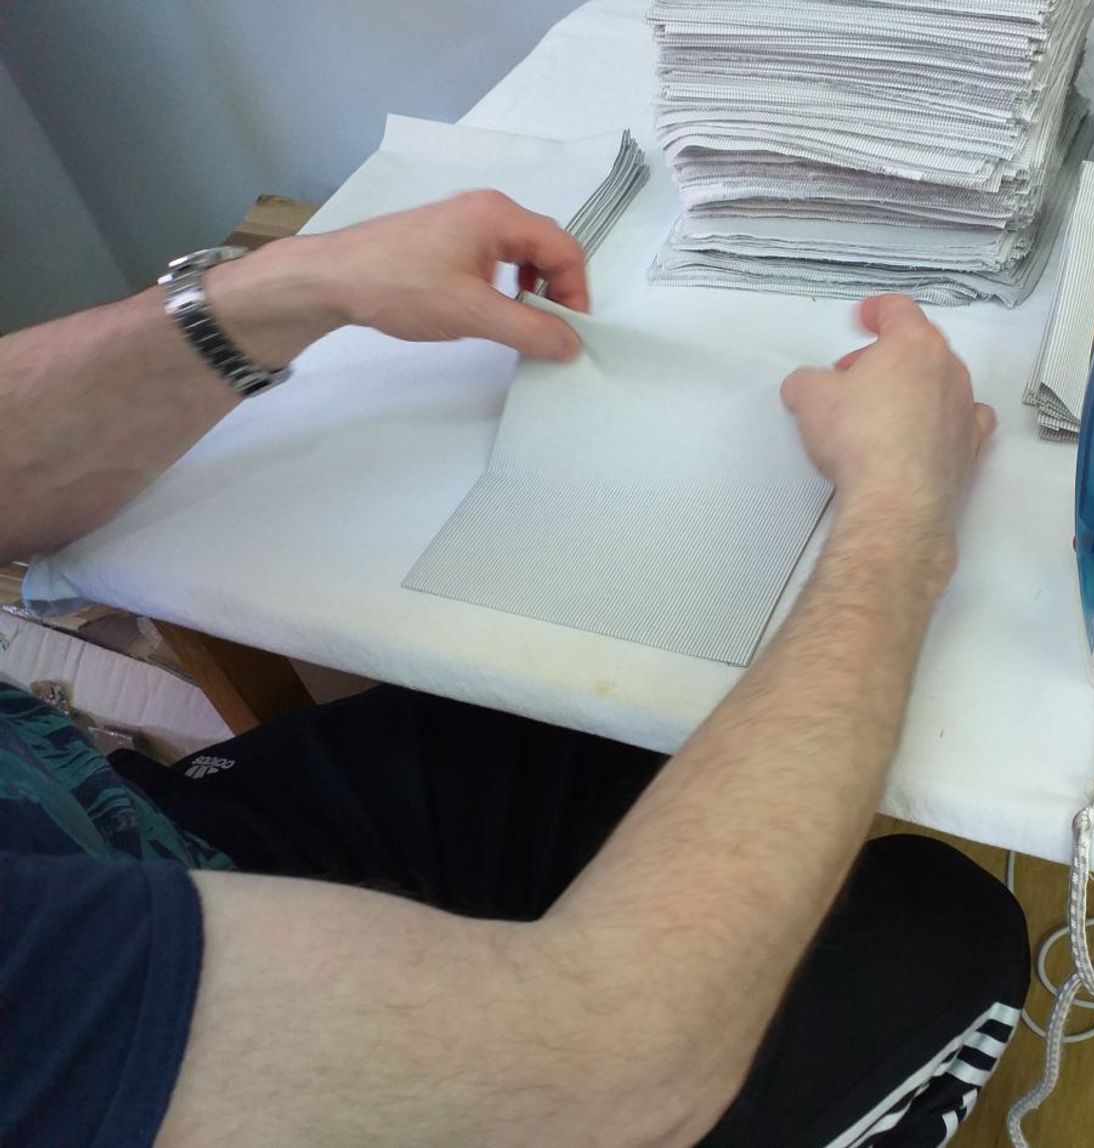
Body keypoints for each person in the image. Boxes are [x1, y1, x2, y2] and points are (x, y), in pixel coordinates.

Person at [0, 191, 1027, 1147]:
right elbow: (617, 1061)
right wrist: (901, 519)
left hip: (131, 847)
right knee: (941, 930)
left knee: (600, 733)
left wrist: (286, 289)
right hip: (124, 982)